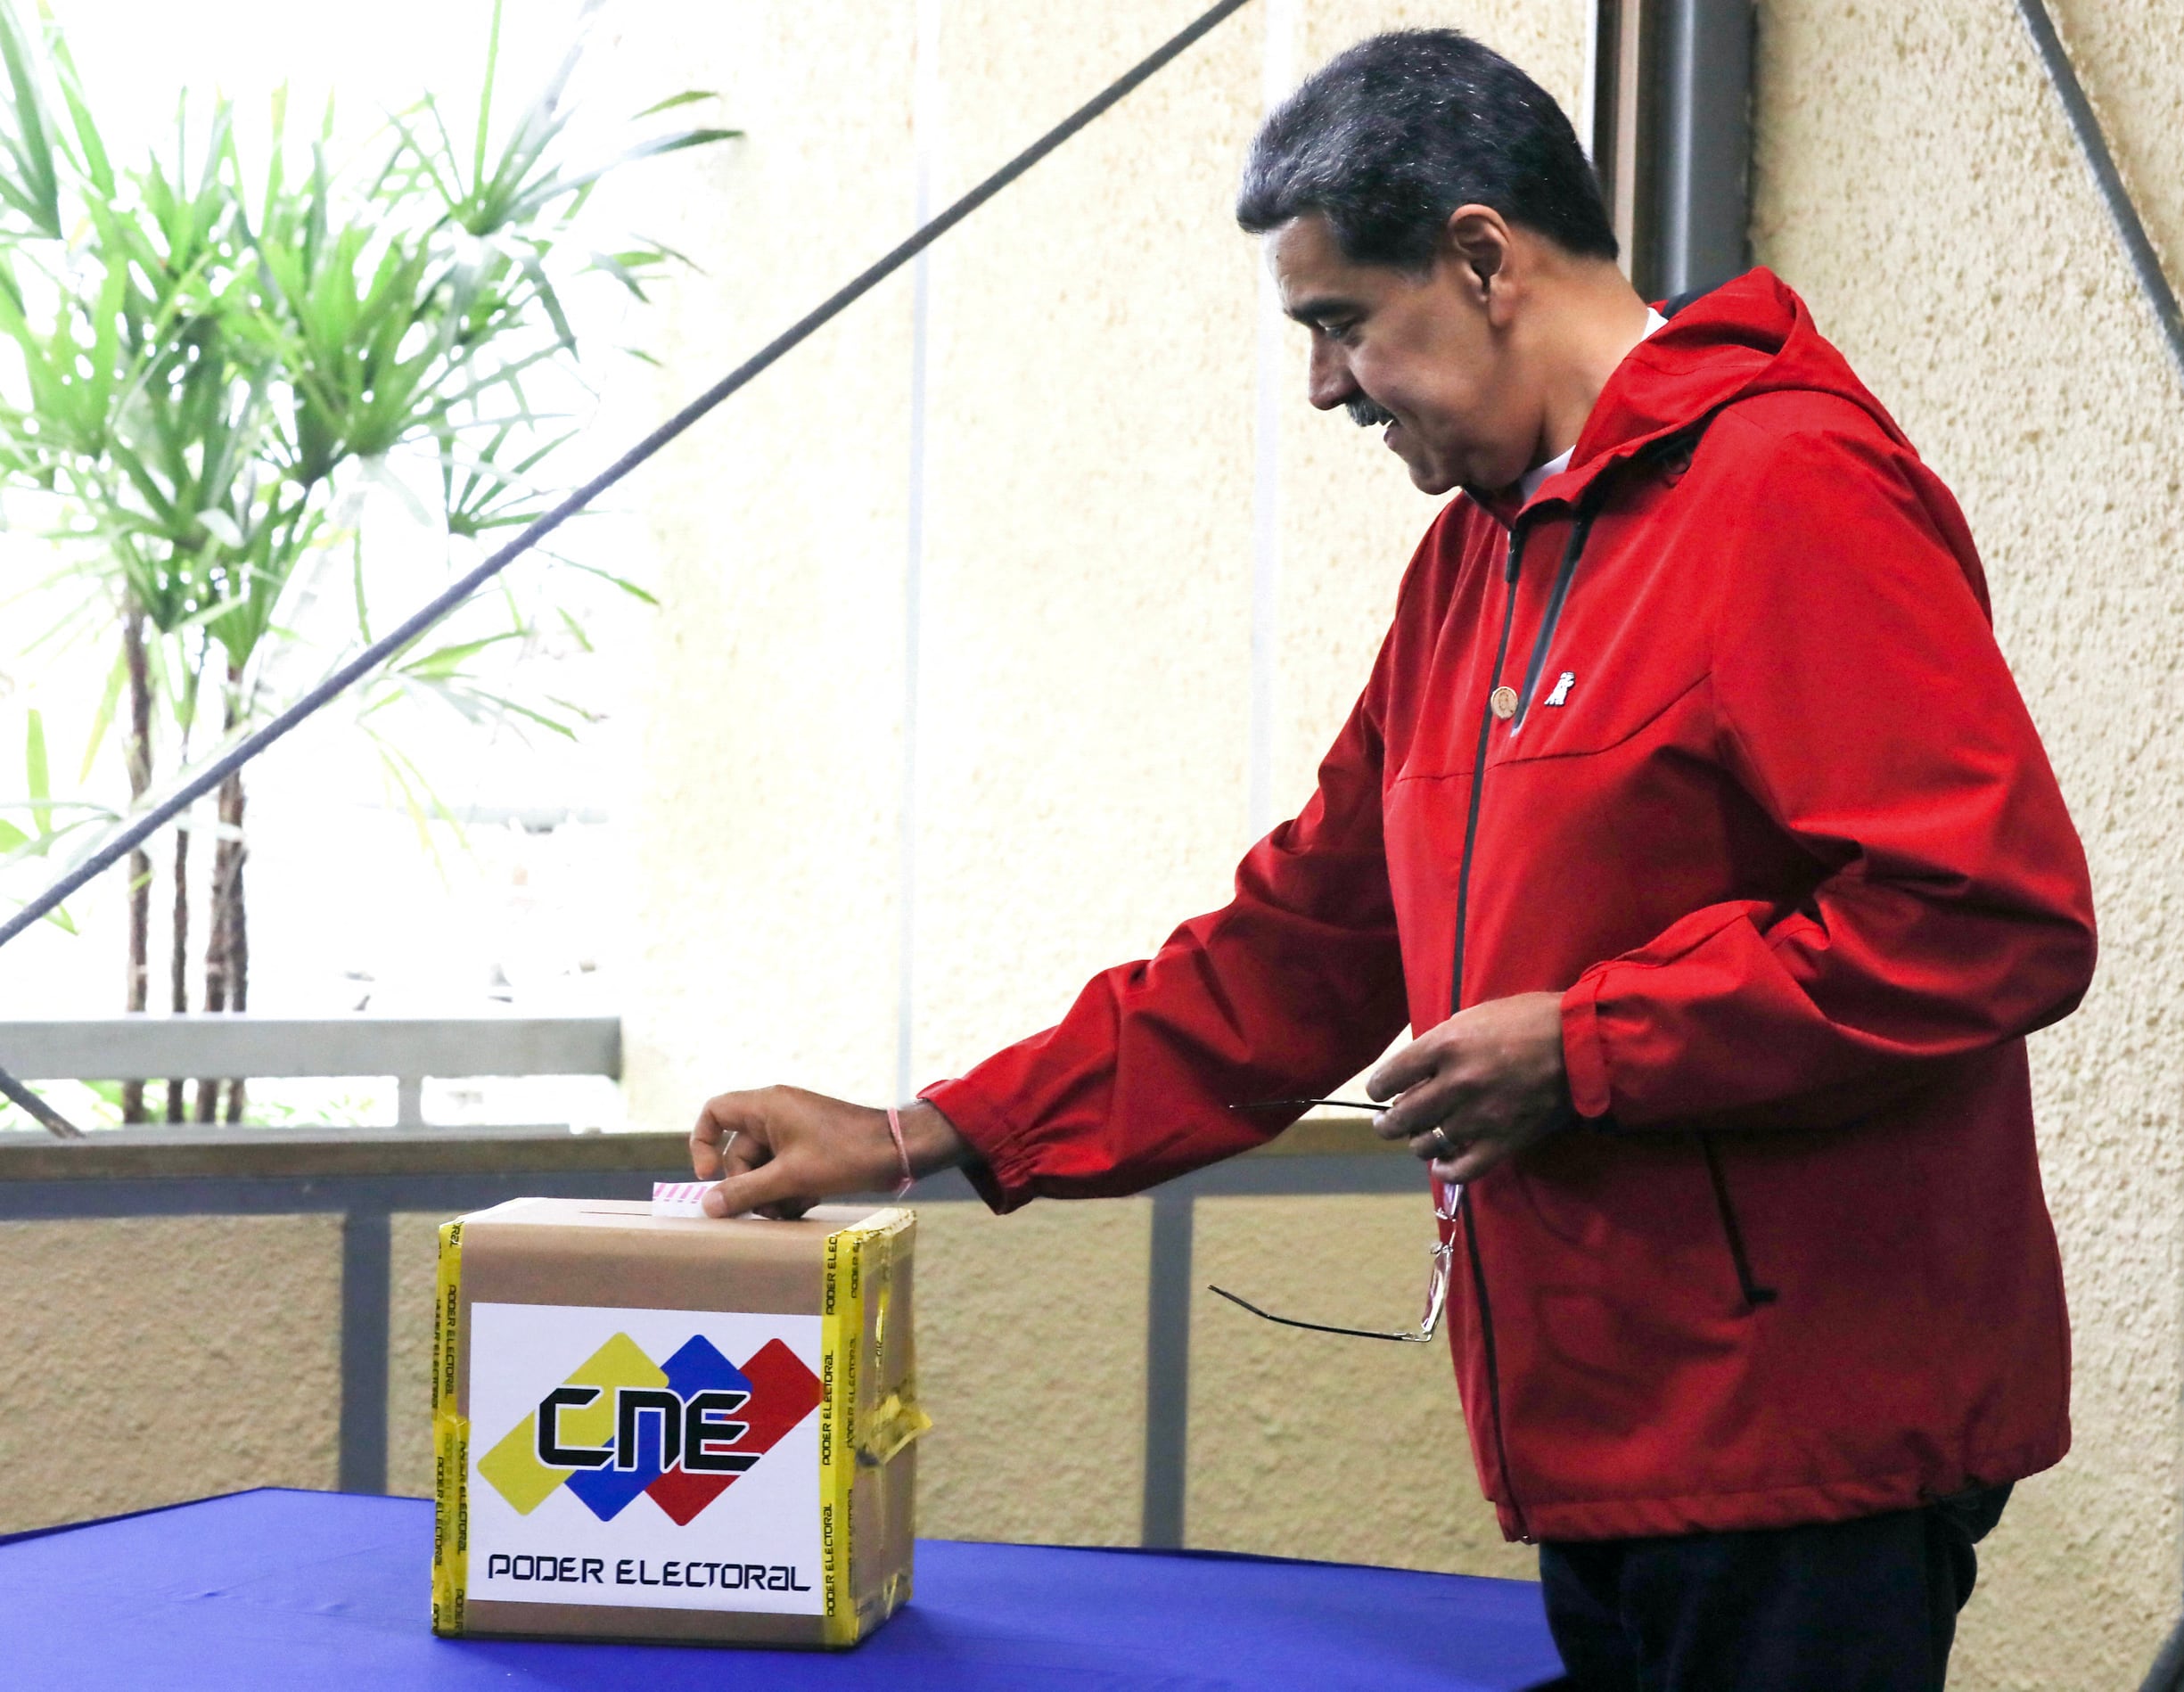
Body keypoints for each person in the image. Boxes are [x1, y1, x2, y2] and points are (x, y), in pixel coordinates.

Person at [688, 29, 2095, 1691]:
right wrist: (919, 1133)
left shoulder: (1787, 489)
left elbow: (1985, 914)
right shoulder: (1470, 572)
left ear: (1482, 258)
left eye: (1341, 322)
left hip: (1802, 1452)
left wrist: (1585, 1046)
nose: (1323, 386)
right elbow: (1295, 948)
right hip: (1612, 1441)